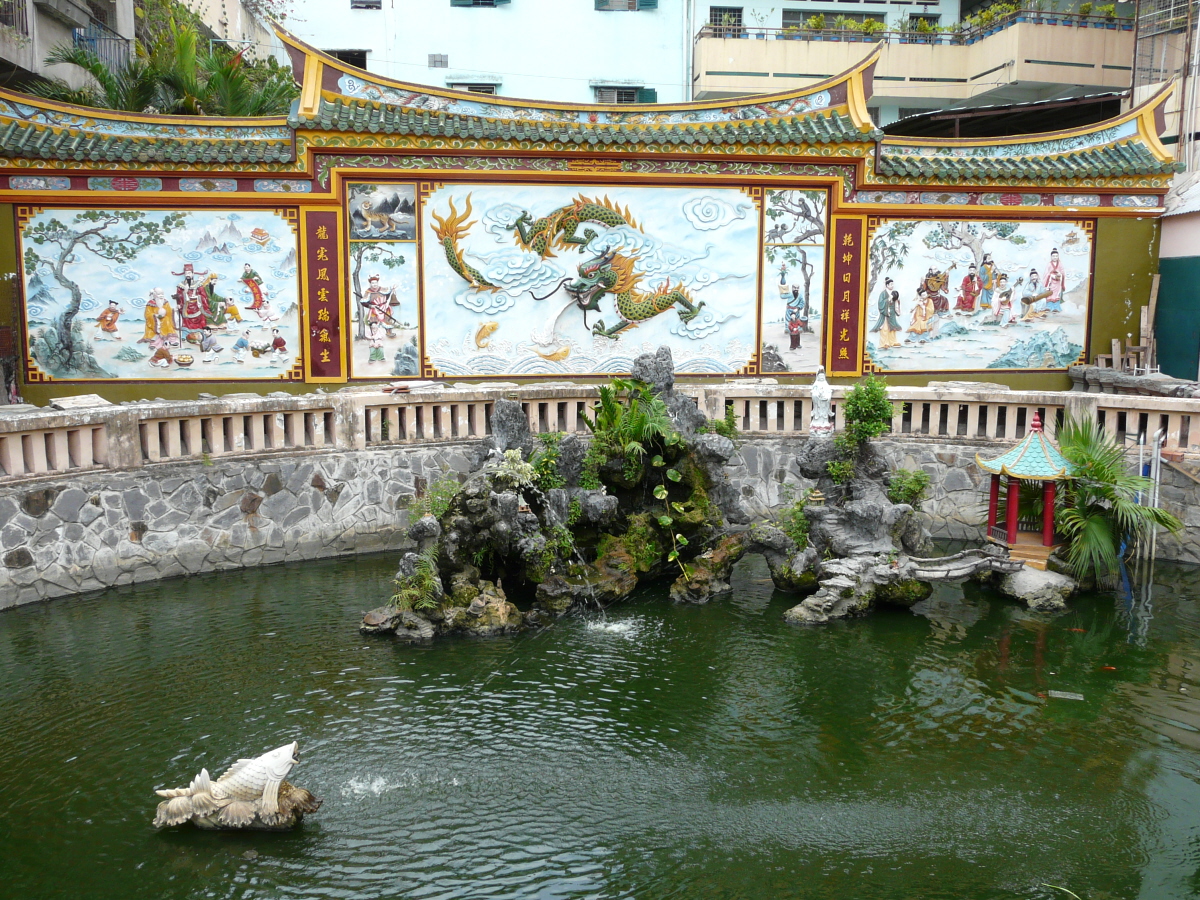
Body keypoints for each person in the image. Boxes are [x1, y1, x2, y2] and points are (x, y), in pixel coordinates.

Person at [174, 263, 213, 335]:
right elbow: (178, 297)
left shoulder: (198, 284)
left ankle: (201, 334)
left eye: (189, 273)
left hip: (197, 307)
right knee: (185, 320)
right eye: (186, 273)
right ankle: (185, 335)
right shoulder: (181, 286)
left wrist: (198, 297)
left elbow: (204, 296)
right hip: (186, 307)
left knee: (201, 319)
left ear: (192, 274)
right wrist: (184, 292)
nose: (187, 275)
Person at [1043, 248, 1065, 312]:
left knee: (1057, 294)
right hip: (1051, 282)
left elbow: (1062, 272)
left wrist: (1059, 274)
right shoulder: (1049, 264)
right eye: (1053, 256)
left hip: (1058, 282)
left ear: (1058, 256)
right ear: (1051, 257)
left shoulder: (1060, 264)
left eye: (1056, 256)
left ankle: (1056, 308)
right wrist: (1051, 275)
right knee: (1050, 294)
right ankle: (1049, 307)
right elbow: (1046, 273)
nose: (1055, 257)